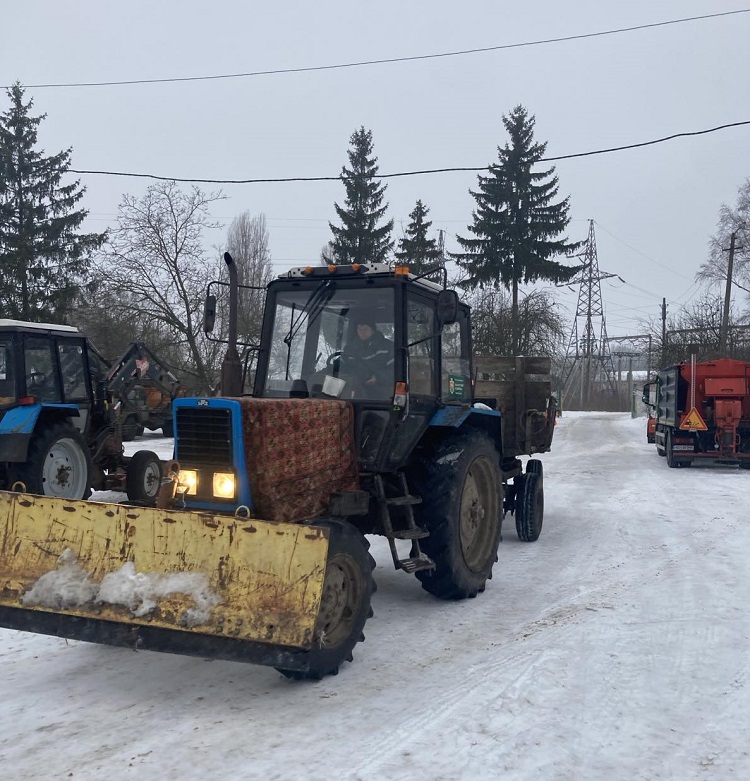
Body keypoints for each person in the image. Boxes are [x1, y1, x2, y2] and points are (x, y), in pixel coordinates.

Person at [345, 313, 394, 396]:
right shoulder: (350, 348)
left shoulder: (387, 347)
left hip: (381, 395)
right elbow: (340, 365)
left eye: (365, 328)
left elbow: (394, 371)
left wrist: (377, 378)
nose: (361, 332)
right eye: (359, 328)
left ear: (373, 330)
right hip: (352, 392)